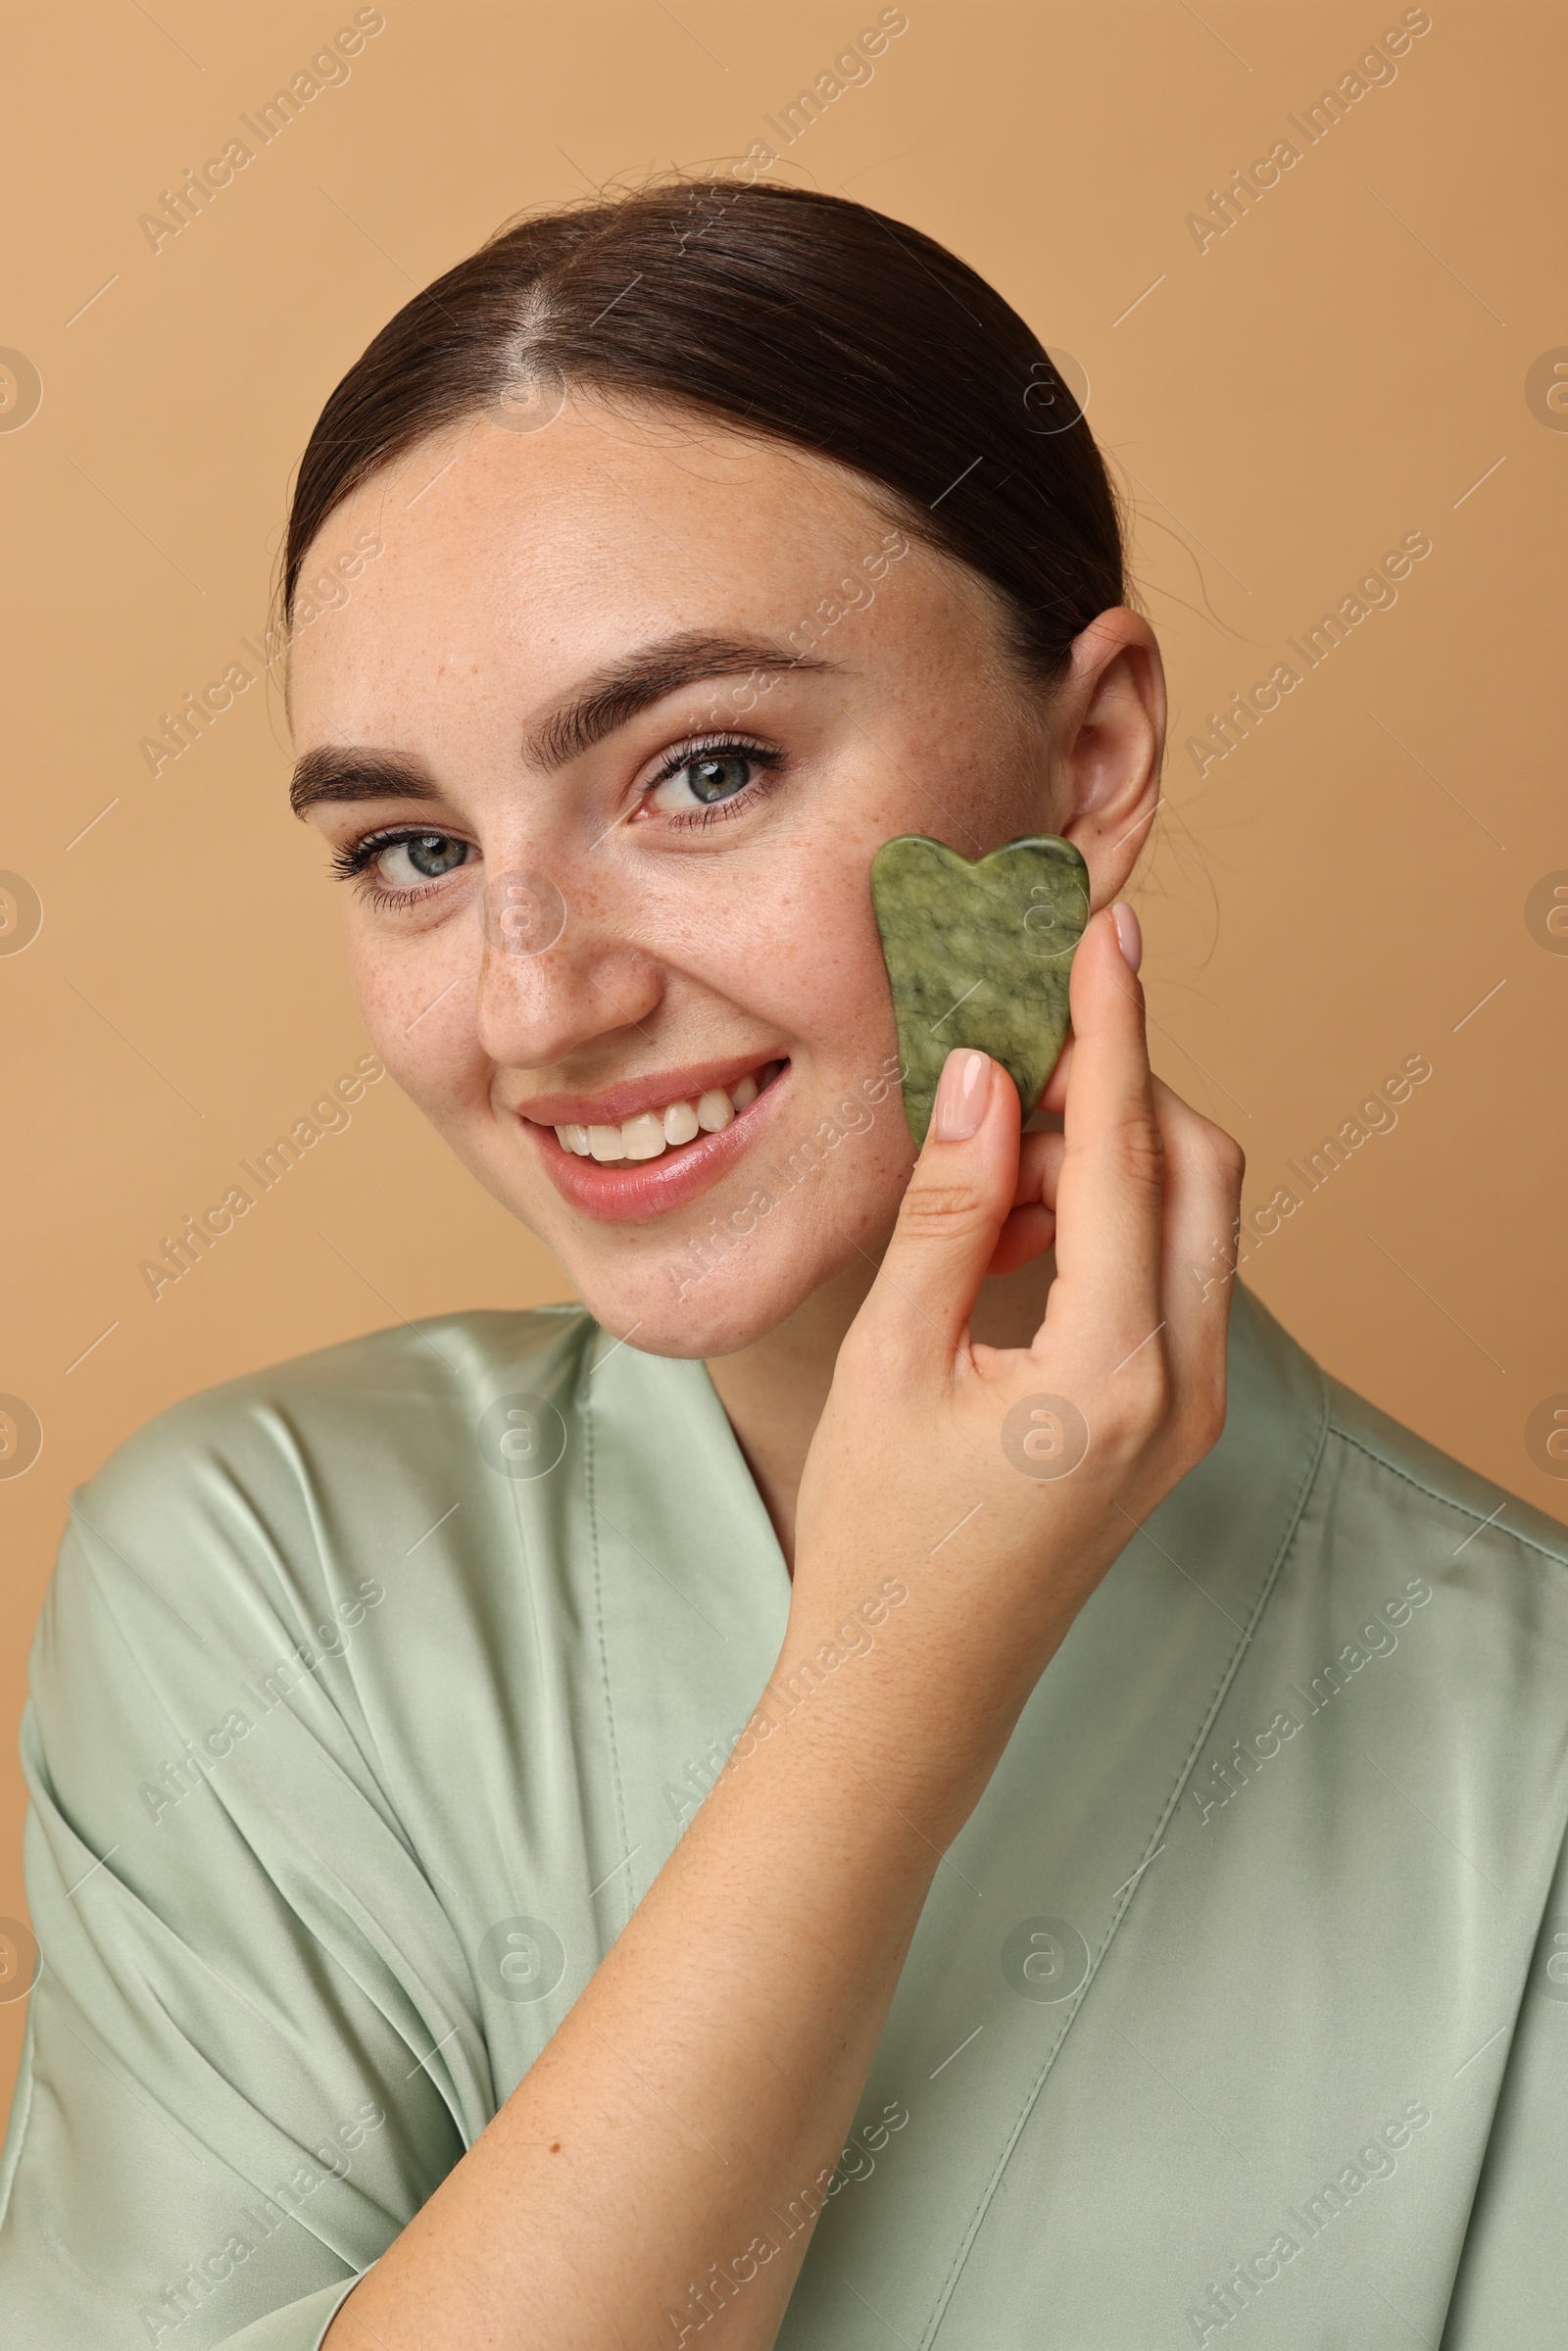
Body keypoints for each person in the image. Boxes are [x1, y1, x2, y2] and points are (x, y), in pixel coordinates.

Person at [2, 177, 1564, 2351]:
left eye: (701, 772)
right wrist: (889, 1673)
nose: (536, 1002)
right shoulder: (260, 1580)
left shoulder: (1532, 1757)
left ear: (1086, 756)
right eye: (414, 851)